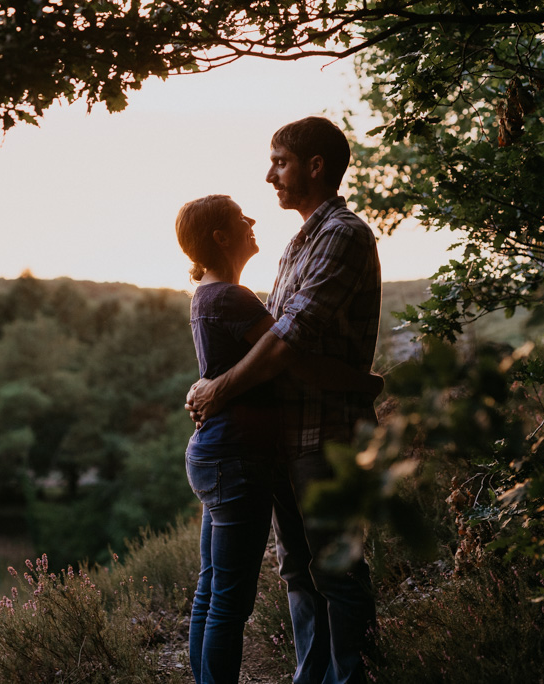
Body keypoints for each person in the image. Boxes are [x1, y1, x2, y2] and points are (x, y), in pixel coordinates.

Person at [186, 117, 382, 684]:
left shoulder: (342, 234)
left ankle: (351, 679)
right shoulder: (297, 245)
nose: (269, 175)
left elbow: (284, 339)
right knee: (299, 570)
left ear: (315, 166)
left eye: (280, 162)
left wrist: (217, 389)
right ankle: (310, 677)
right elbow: (267, 341)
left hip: (327, 434)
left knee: (337, 572)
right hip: (282, 439)